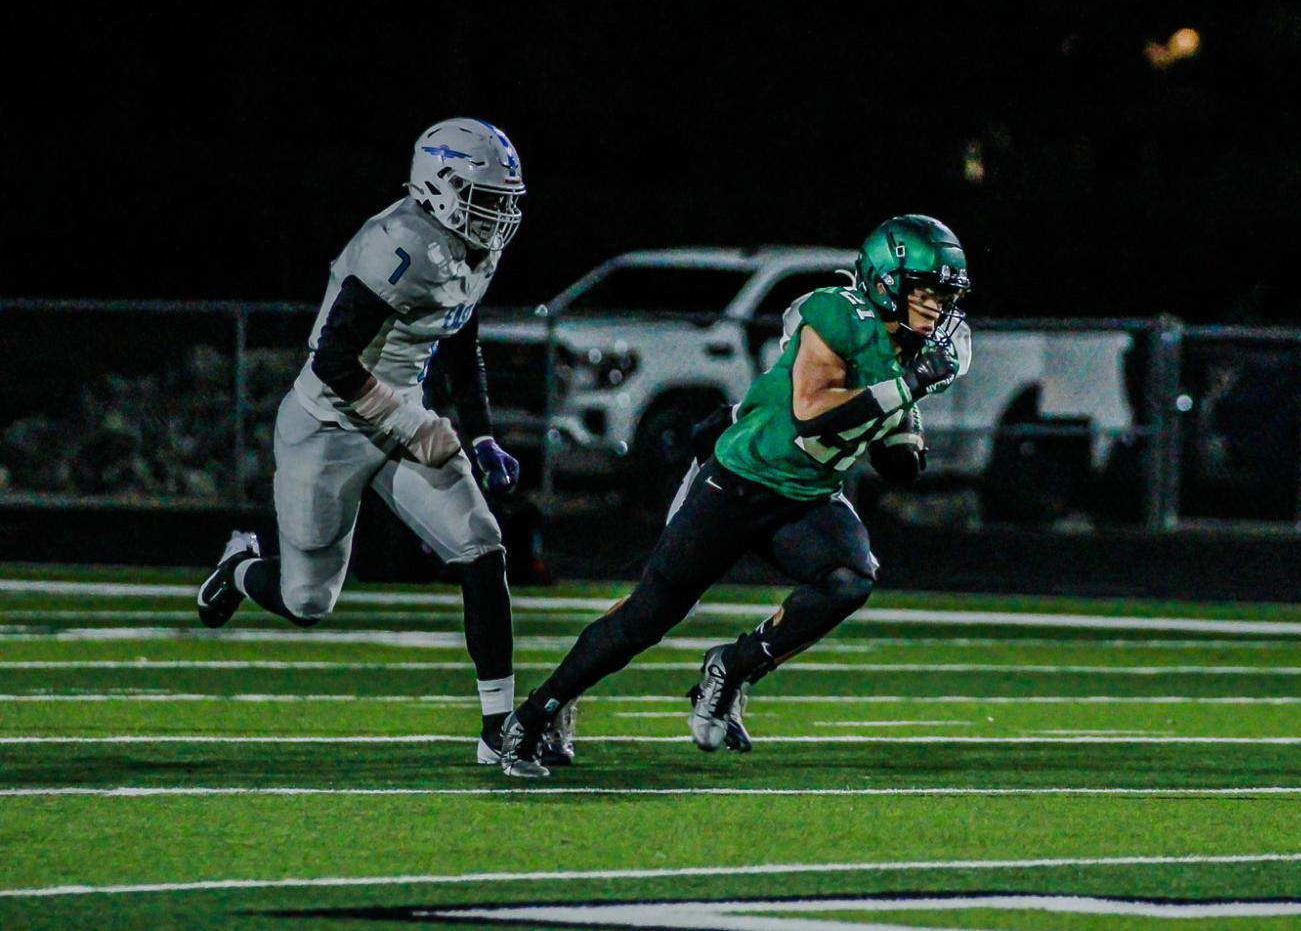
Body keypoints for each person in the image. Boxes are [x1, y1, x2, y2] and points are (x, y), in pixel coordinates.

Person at [494, 214, 971, 778]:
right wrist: (906, 387)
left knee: (850, 577)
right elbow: (810, 415)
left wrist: (907, 433)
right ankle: (536, 714)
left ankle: (733, 667)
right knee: (652, 613)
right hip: (739, 478)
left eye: (946, 294)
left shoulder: (917, 348)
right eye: (928, 291)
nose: (939, 307)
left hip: (807, 494)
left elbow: (897, 465)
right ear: (889, 279)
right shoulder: (839, 313)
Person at [194, 118, 531, 766]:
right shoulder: (396, 245)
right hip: (329, 426)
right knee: (306, 602)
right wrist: (410, 424)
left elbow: (458, 333)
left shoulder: (472, 247)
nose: (496, 217)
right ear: (441, 186)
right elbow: (332, 363)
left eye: (502, 202)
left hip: (403, 414)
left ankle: (497, 728)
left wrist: (481, 432)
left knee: (481, 548)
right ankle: (240, 565)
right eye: (484, 199)